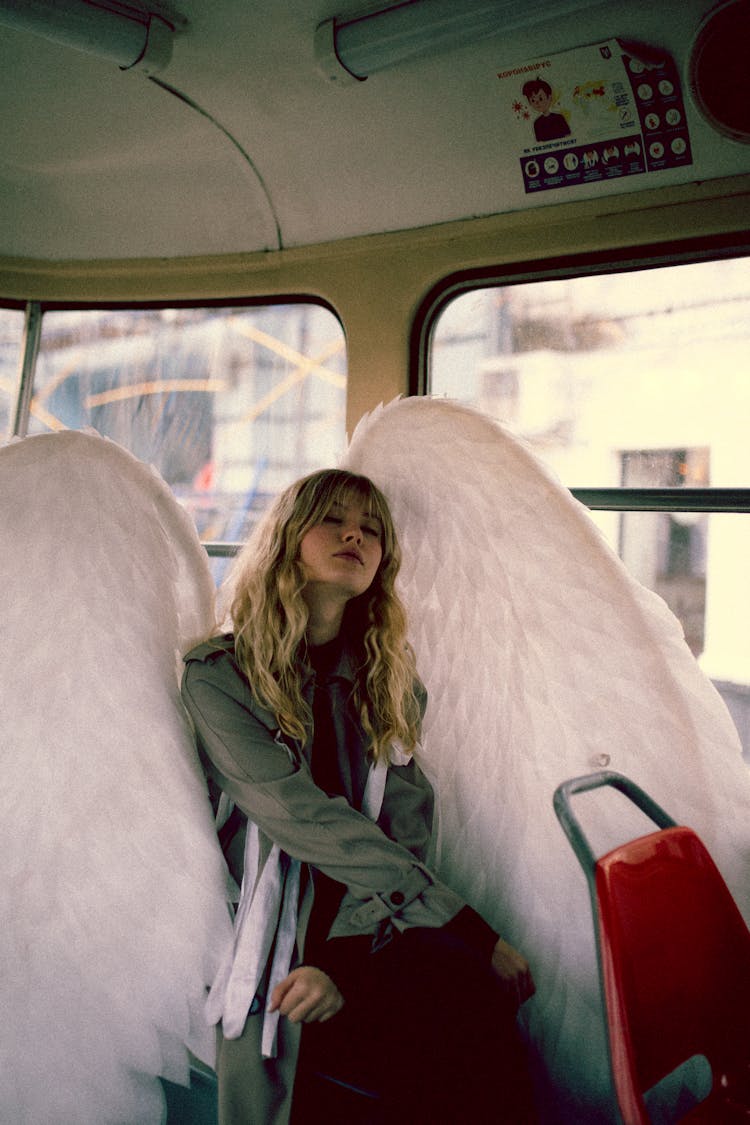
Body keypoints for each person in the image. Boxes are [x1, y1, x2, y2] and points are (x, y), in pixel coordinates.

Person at [181, 468, 537, 1124]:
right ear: (289, 539)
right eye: (333, 519)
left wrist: (345, 965)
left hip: (363, 926)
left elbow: (407, 830)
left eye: (371, 529)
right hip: (271, 925)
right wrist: (464, 925)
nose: (355, 534)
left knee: (482, 1005)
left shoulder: (390, 684)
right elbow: (302, 817)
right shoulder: (219, 678)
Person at [522, 78, 571, 142]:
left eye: (541, 98)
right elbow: (540, 142)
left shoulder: (559, 118)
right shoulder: (537, 123)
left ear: (549, 98)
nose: (537, 103)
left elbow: (568, 136)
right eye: (533, 100)